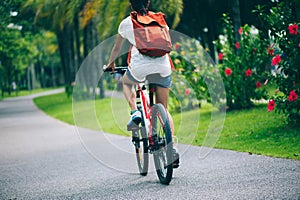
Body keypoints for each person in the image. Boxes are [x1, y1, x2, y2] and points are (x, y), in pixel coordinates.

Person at [106, 0, 179, 168]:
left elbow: (117, 48)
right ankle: (172, 148)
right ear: (148, 2)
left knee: (126, 83)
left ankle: (134, 112)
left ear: (131, 4)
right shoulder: (160, 19)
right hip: (163, 66)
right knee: (164, 108)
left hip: (139, 68)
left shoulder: (126, 23)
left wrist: (111, 64)